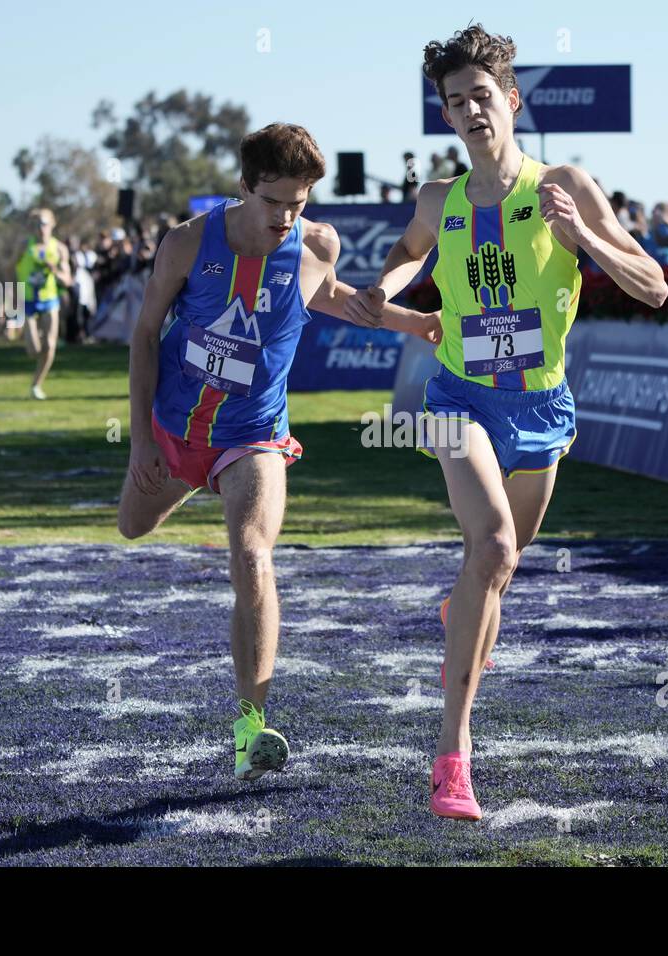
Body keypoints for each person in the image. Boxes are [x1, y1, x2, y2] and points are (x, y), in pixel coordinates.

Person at [347, 23, 667, 821]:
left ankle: (466, 607)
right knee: (488, 545)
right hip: (459, 398)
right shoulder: (438, 199)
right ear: (446, 117)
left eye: (481, 96)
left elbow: (654, 286)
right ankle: (453, 757)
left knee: (502, 565)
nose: (470, 111)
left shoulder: (565, 184)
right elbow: (405, 255)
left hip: (543, 409)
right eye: (455, 103)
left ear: (511, 100)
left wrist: (583, 238)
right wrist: (384, 292)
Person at [116, 123, 440, 784]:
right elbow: (145, 335)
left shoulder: (316, 242)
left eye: (299, 202)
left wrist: (416, 322)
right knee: (132, 525)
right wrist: (142, 442)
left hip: (254, 434)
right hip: (177, 430)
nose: (287, 216)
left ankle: (249, 727)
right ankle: (186, 481)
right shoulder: (186, 244)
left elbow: (330, 297)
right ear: (243, 188)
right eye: (275, 203)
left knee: (252, 553)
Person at [14, 208, 73, 399]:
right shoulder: (25, 246)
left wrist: (55, 270)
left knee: (50, 344)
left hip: (49, 300)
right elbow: (11, 266)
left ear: (52, 225)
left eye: (44, 224)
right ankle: (31, 336)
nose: (41, 228)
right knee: (34, 350)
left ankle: (36, 385)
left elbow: (68, 280)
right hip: (29, 299)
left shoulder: (59, 249)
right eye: (37, 224)